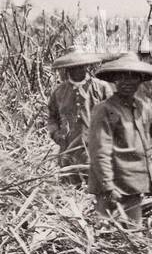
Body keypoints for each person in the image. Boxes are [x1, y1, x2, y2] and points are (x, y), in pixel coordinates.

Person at [88, 53, 152, 226]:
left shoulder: (145, 109)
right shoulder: (104, 110)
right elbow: (99, 150)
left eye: (133, 77)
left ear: (140, 80)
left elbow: (150, 142)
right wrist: (108, 185)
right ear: (114, 80)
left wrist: (149, 177)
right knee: (105, 231)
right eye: (122, 77)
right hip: (111, 183)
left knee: (134, 233)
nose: (127, 82)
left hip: (134, 182)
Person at [45, 47, 113, 185]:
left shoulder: (101, 88)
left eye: (81, 66)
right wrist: (56, 134)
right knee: (70, 186)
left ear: (87, 66)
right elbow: (52, 117)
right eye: (73, 67)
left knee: (97, 188)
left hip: (95, 148)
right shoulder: (59, 92)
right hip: (68, 149)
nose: (78, 70)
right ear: (67, 69)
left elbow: (113, 115)